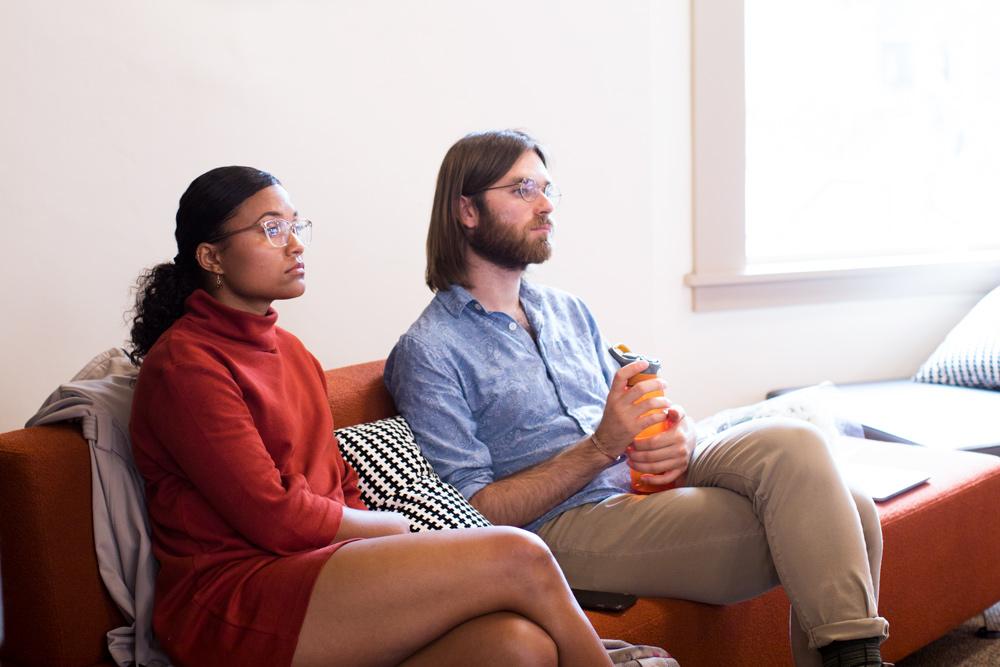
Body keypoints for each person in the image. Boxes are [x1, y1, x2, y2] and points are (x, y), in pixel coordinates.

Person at [384, 131, 891, 667]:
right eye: (523, 189)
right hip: (564, 524)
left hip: (636, 481)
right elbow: (472, 513)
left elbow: (642, 411)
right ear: (467, 209)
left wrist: (680, 434)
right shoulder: (429, 352)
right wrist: (602, 447)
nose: (546, 205)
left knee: (803, 448)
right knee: (838, 518)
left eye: (548, 188)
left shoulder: (566, 310)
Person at [127, 166, 643, 667]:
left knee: (517, 647)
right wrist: (392, 530)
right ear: (211, 256)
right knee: (520, 553)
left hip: (320, 570)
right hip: (235, 597)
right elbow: (272, 515)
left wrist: (374, 548)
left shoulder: (292, 352)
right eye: (272, 229)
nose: (296, 243)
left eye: (295, 225)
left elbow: (335, 480)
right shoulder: (186, 365)